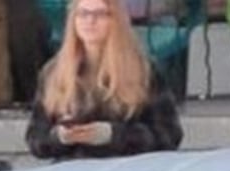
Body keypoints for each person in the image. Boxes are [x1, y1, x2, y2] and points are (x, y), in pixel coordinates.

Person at [25, 0, 184, 161]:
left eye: (100, 14)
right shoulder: (54, 72)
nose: (90, 21)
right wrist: (59, 137)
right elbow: (35, 139)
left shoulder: (143, 70)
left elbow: (169, 136)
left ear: (116, 21)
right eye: (83, 14)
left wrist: (112, 135)